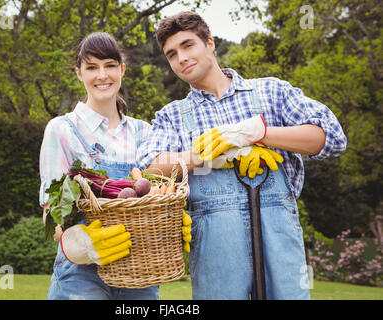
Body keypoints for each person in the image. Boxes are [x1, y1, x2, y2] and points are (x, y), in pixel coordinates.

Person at [136, 11, 347, 300]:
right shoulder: (172, 116)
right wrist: (201, 154)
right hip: (215, 243)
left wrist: (256, 133)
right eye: (171, 54)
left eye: (188, 46)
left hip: (279, 233)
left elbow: (330, 137)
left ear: (209, 43)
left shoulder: (271, 92)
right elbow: (149, 169)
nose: (181, 58)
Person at [39, 32, 173, 300]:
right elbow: (51, 214)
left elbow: (159, 193)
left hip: (139, 271)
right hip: (80, 274)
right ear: (79, 74)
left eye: (110, 65)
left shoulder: (143, 133)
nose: (102, 75)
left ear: (122, 69)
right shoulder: (62, 130)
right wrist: (82, 243)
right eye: (91, 67)